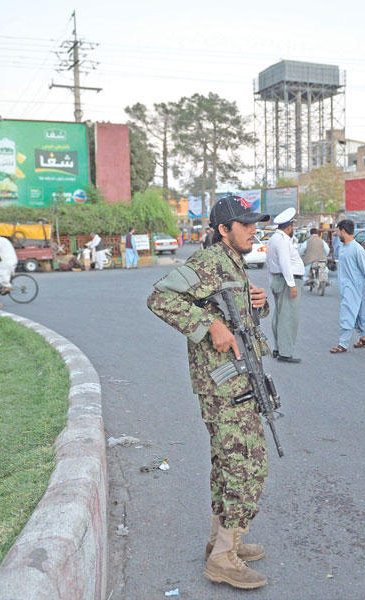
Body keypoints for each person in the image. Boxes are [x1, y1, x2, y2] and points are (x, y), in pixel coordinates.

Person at [147, 194, 272, 590]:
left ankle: (222, 542)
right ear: (223, 230)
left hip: (240, 377)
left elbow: (236, 316)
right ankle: (223, 558)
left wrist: (259, 304)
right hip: (223, 383)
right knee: (248, 462)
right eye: (246, 224)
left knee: (227, 460)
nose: (254, 230)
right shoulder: (208, 261)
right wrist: (208, 327)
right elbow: (160, 297)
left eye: (255, 223)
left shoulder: (234, 262)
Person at [330, 220, 365, 354]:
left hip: (352, 287)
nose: (337, 233)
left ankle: (342, 344)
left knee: (347, 313)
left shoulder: (357, 249)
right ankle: (363, 337)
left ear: (343, 231)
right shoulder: (343, 246)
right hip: (349, 286)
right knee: (360, 313)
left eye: (338, 231)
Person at [265, 207, 304, 363]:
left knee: (280, 315)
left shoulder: (274, 239)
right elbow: (285, 263)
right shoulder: (282, 241)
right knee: (289, 317)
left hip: (278, 280)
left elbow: (269, 263)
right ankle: (285, 353)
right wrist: (292, 285)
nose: (293, 229)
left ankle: (278, 349)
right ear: (289, 227)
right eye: (292, 226)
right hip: (287, 281)